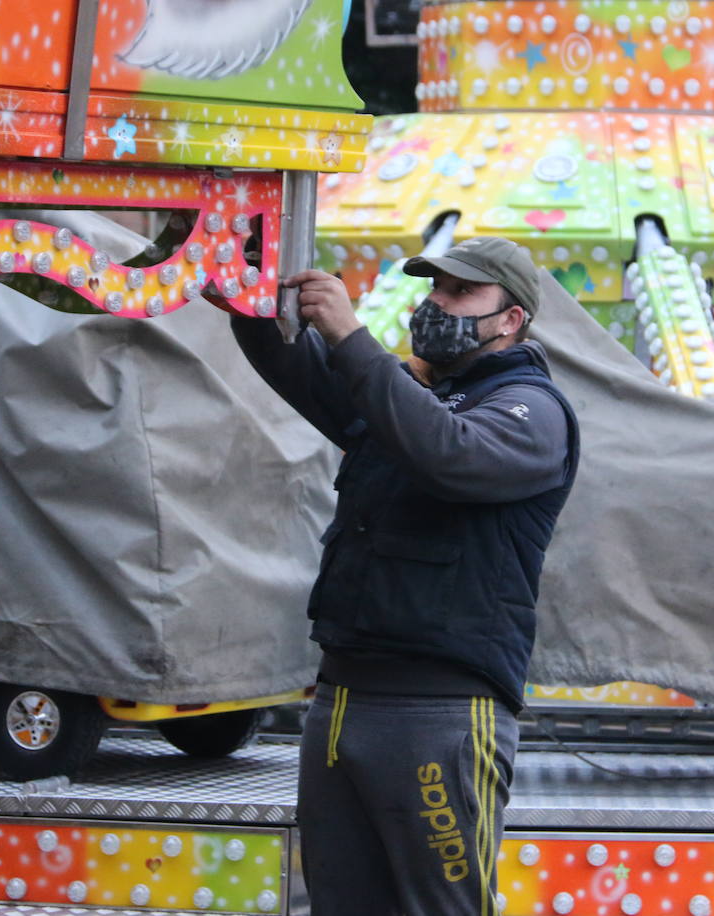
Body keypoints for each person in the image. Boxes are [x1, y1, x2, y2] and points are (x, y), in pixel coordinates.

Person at [230, 236, 580, 916]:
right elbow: (288, 359)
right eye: (434, 289)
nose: (437, 304)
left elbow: (447, 453)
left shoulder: (533, 412)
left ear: (511, 320)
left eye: (460, 293)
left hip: (440, 715)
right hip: (339, 703)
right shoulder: (402, 397)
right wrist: (252, 275)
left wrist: (351, 334)